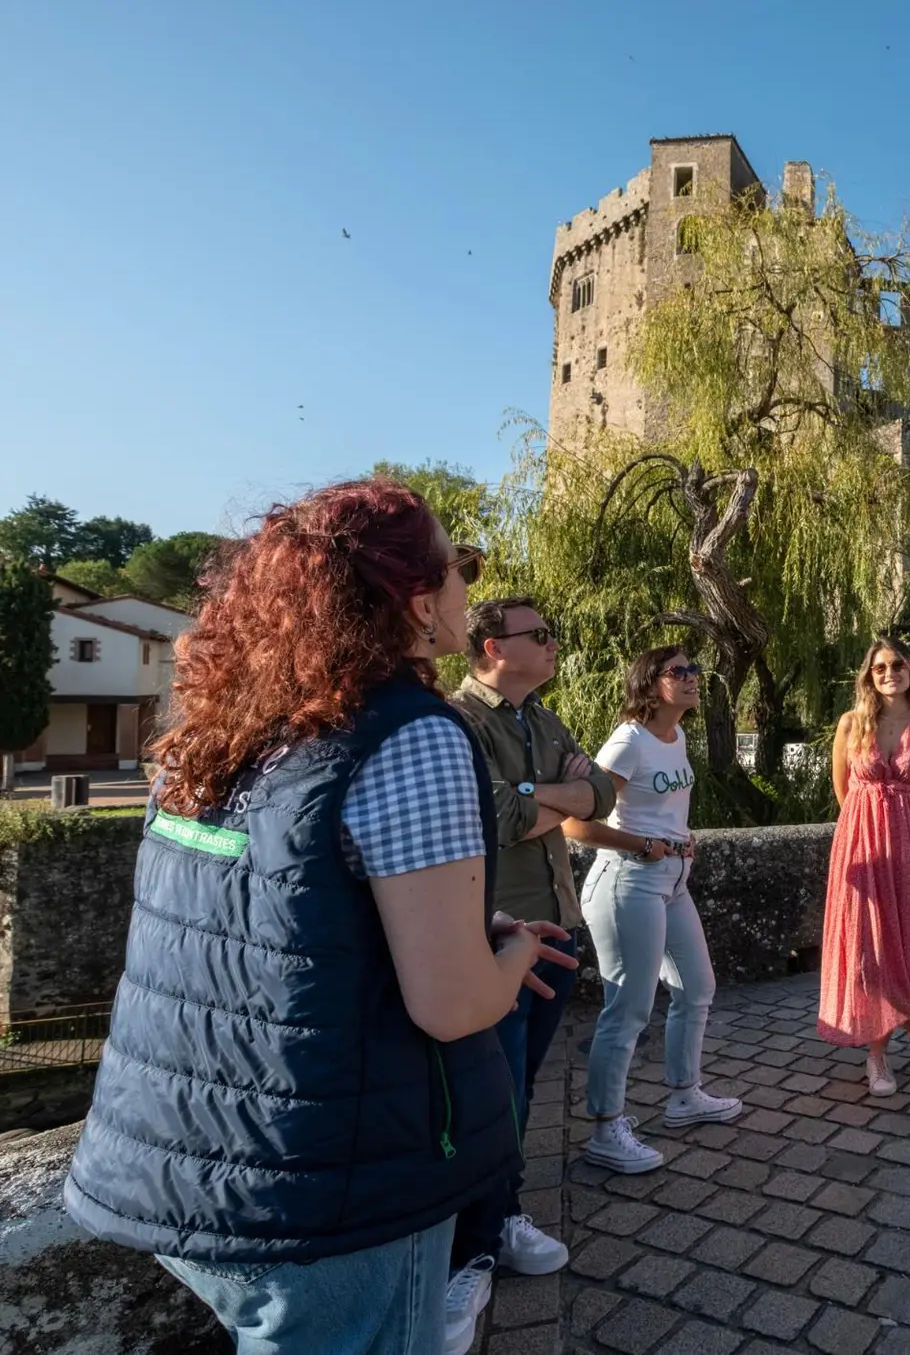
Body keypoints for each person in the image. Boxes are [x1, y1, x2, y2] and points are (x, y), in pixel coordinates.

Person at [64, 480, 575, 1355]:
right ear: (417, 599)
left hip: (167, 1155)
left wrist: (447, 921)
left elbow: (273, 902)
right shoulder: (413, 732)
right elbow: (452, 1005)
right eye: (462, 568)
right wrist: (506, 951)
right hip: (322, 1187)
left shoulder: (216, 724)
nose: (466, 586)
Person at [441, 598, 616, 1349]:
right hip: (499, 931)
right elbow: (486, 817)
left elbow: (603, 792)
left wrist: (531, 795)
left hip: (558, 925)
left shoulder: (541, 720)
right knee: (496, 1088)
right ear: (492, 646)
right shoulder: (459, 722)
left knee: (525, 1084)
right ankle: (477, 1244)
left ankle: (497, 1217)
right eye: (538, 635)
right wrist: (552, 796)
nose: (552, 644)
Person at [564, 645, 742, 1172]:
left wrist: (677, 839)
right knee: (629, 1008)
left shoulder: (677, 734)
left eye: (694, 670)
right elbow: (574, 825)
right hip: (628, 883)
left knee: (696, 987)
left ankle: (685, 1095)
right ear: (650, 683)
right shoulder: (628, 742)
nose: (692, 678)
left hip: (672, 879)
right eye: (678, 672)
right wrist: (643, 844)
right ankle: (605, 1128)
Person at [818, 637, 910, 1097]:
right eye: (879, 668)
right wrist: (867, 823)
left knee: (904, 946)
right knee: (866, 953)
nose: (888, 672)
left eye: (896, 664)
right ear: (868, 675)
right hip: (858, 842)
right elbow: (842, 790)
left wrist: (898, 823)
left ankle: (885, 1049)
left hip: (909, 842)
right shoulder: (851, 724)